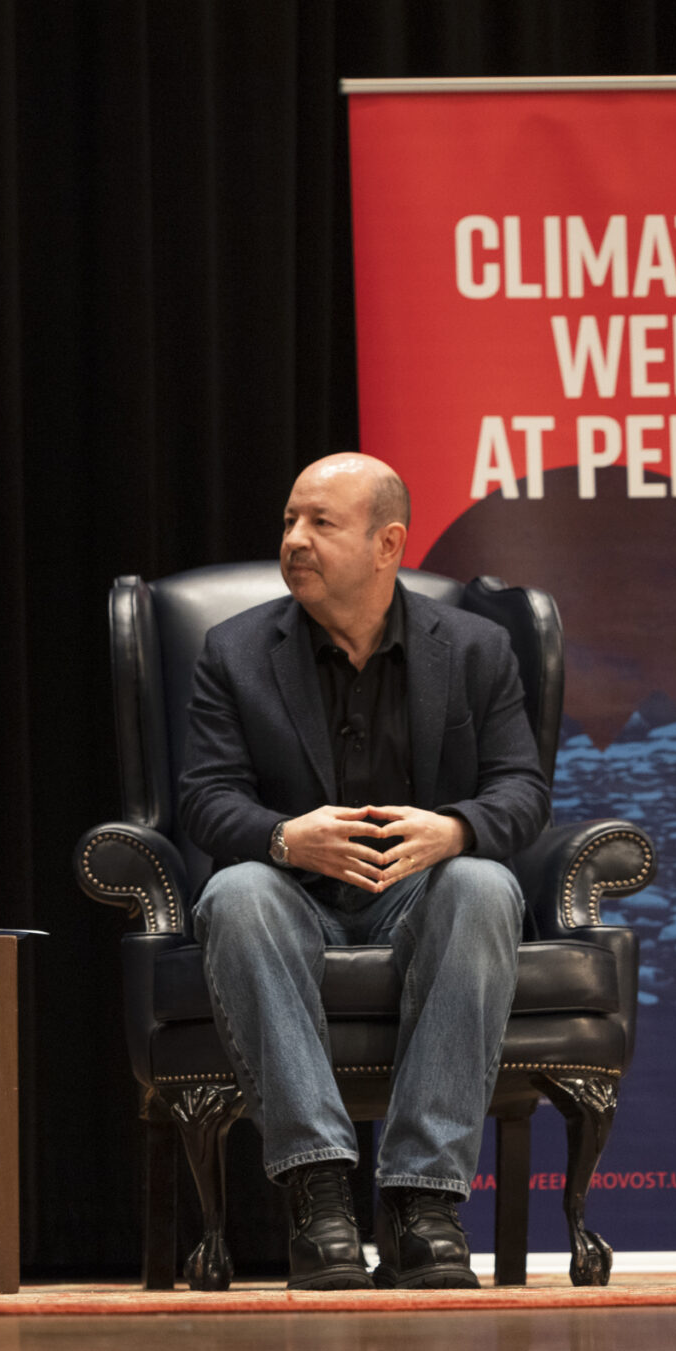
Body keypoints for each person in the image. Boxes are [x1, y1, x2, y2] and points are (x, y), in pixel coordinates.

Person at [179, 453, 547, 1290]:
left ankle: (423, 1202)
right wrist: (286, 837)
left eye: (321, 522)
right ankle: (319, 1194)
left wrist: (455, 828)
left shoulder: (476, 649)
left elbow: (523, 791)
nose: (294, 539)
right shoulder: (234, 652)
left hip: (419, 897)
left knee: (484, 883)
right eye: (289, 520)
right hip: (291, 895)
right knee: (236, 892)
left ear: (388, 544)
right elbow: (204, 797)